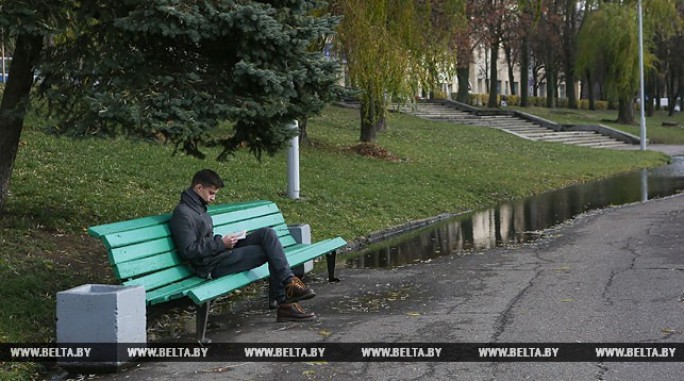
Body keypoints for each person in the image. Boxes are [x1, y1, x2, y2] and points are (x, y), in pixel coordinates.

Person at [169, 168, 316, 322]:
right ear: (199, 188)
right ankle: (285, 303)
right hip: (211, 266)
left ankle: (290, 282)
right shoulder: (183, 214)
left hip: (220, 254)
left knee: (268, 234)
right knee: (267, 251)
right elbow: (188, 250)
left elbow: (206, 240)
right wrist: (220, 243)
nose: (213, 198)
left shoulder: (199, 209)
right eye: (211, 193)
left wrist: (226, 242)